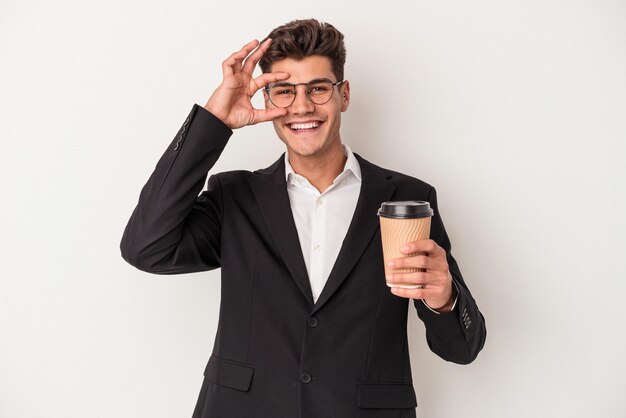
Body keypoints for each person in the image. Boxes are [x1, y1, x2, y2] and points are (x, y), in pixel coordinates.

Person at [120, 19, 486, 418]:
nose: (302, 106)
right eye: (284, 91)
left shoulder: (407, 198)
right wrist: (214, 120)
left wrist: (444, 299)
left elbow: (462, 349)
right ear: (266, 100)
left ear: (343, 95)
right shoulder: (234, 197)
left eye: (317, 88)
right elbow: (146, 248)